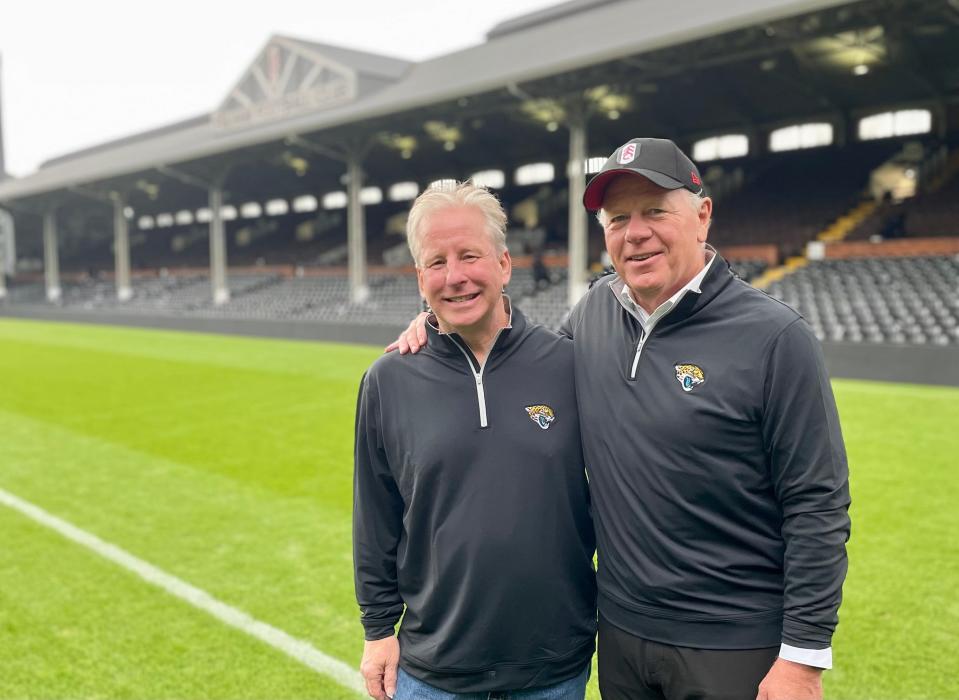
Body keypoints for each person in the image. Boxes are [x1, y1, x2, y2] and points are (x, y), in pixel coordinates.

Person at [391, 138, 851, 700]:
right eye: (618, 219)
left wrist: (802, 659)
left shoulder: (777, 338)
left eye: (656, 211)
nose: (635, 233)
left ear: (702, 215)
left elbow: (817, 502)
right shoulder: (592, 314)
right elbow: (520, 361)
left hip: (734, 643)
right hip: (622, 638)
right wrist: (439, 321)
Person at [353, 181, 596, 700]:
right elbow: (374, 518)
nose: (455, 276)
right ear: (420, 279)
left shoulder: (567, 365)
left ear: (504, 264)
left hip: (553, 670)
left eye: (469, 256)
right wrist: (377, 631)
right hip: (432, 672)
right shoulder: (388, 380)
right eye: (437, 263)